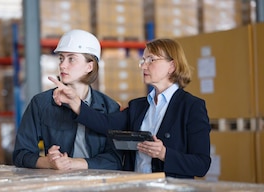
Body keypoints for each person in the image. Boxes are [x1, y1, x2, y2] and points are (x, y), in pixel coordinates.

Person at [49, 38, 211, 178]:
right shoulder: (138, 106)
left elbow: (201, 165)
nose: (143, 66)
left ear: (172, 66)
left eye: (151, 60)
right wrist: (75, 102)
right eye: (143, 60)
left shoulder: (191, 107)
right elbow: (106, 124)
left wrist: (164, 154)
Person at [13, 29, 123, 170]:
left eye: (71, 59)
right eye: (61, 58)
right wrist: (48, 162)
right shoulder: (41, 103)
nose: (62, 65)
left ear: (89, 66)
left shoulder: (109, 107)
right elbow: (20, 154)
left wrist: (73, 163)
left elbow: (115, 160)